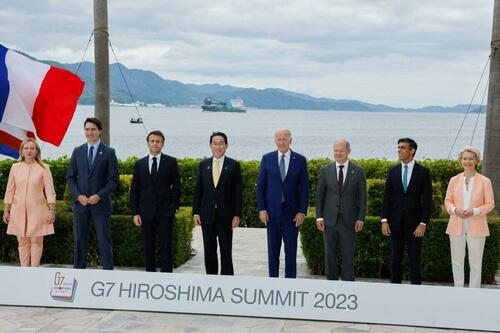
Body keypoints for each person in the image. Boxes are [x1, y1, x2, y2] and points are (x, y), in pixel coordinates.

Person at [67, 117, 119, 270]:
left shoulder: (109, 152)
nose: (90, 133)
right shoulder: (78, 151)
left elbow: (113, 180)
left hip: (100, 205)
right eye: (87, 129)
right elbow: (70, 177)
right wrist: (78, 196)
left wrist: (99, 195)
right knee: (79, 242)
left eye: (93, 129)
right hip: (80, 206)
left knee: (104, 241)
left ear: (100, 131)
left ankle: (108, 274)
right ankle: (79, 273)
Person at [256, 129, 309, 278]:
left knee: (291, 252)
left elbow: (304, 189)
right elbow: (260, 187)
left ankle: (290, 283)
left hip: (292, 215)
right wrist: (262, 209)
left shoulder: (300, 160)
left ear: (290, 140)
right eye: (278, 139)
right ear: (275, 141)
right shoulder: (267, 158)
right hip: (271, 214)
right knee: (272, 251)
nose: (282, 142)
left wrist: (301, 212)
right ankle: (273, 282)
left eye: (284, 139)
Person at [381, 137, 432, 284]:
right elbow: (386, 198)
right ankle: (394, 289)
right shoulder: (393, 171)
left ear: (412, 151)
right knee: (394, 259)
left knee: (415, 259)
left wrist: (423, 223)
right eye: (398, 147)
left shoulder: (423, 172)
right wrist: (384, 220)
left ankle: (416, 290)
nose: (399, 150)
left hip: (415, 224)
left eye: (402, 148)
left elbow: (427, 201)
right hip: (394, 223)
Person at [315, 140, 367, 281]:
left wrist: (360, 218)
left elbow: (362, 198)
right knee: (330, 254)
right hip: (329, 220)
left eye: (341, 150)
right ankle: (331, 283)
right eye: (336, 150)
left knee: (348, 254)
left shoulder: (359, 171)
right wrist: (319, 217)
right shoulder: (325, 170)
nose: (338, 153)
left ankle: (348, 284)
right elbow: (319, 196)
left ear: (348, 151)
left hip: (349, 221)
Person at [130, 130, 181, 272]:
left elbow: (177, 187)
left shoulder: (171, 162)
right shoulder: (139, 164)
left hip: (165, 213)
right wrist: (135, 213)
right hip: (145, 213)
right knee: (148, 247)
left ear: (163, 144)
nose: (155, 143)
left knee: (166, 247)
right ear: (147, 143)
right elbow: (134, 191)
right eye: (152, 141)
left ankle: (167, 277)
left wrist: (174, 207)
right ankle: (150, 277)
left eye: (158, 141)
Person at [192, 132, 243, 275]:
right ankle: (211, 279)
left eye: (221, 143)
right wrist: (196, 211)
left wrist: (237, 214)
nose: (218, 146)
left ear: (226, 145)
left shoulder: (233, 165)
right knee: (209, 250)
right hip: (206, 215)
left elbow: (238, 192)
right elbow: (198, 190)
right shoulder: (203, 165)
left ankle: (227, 280)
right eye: (215, 143)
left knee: (226, 250)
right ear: (210, 146)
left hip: (226, 216)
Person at [444, 147, 494, 288]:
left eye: (471, 158)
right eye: (464, 158)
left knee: (476, 262)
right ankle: (458, 290)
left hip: (477, 226)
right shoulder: (454, 180)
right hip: (456, 225)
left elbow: (490, 204)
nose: (467, 161)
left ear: (477, 161)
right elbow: (447, 200)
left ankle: (474, 292)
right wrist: (454, 209)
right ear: (461, 161)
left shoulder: (485, 181)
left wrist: (475, 211)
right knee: (457, 260)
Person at [3, 138, 56, 267]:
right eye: (26, 148)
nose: (29, 151)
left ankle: (34, 270)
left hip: (38, 210)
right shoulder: (15, 168)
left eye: (32, 148)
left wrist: (52, 210)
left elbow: (50, 192)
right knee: (22, 241)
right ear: (21, 151)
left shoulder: (44, 168)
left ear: (36, 151)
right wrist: (6, 210)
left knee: (36, 240)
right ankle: (24, 271)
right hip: (18, 210)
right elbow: (10, 190)